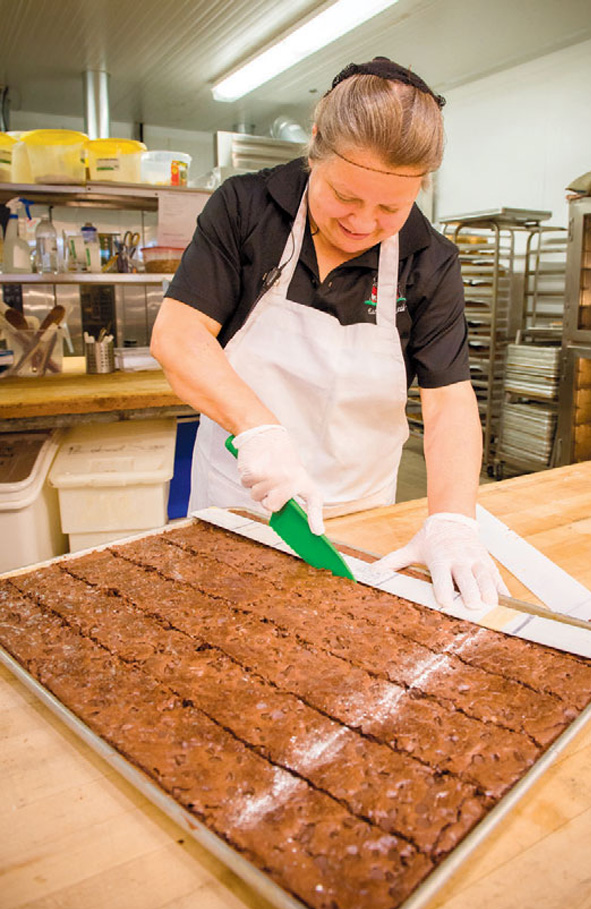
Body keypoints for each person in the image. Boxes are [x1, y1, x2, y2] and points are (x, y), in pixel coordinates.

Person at [150, 56, 508, 612]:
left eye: (391, 207)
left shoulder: (430, 261)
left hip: (361, 519)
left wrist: (453, 521)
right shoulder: (246, 209)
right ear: (316, 142)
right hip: (239, 503)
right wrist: (259, 430)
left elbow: (449, 402)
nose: (363, 223)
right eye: (344, 195)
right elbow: (179, 335)